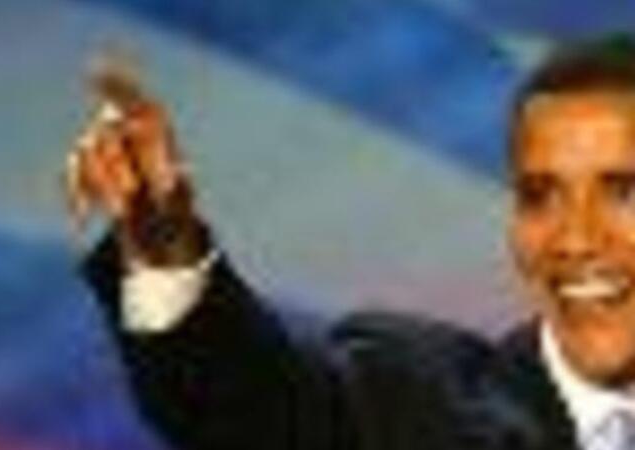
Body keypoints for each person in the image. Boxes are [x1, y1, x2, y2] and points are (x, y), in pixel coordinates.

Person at [70, 36, 635, 450]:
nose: (576, 238)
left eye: (623, 192)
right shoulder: (412, 407)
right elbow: (255, 412)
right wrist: (168, 254)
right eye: (540, 196)